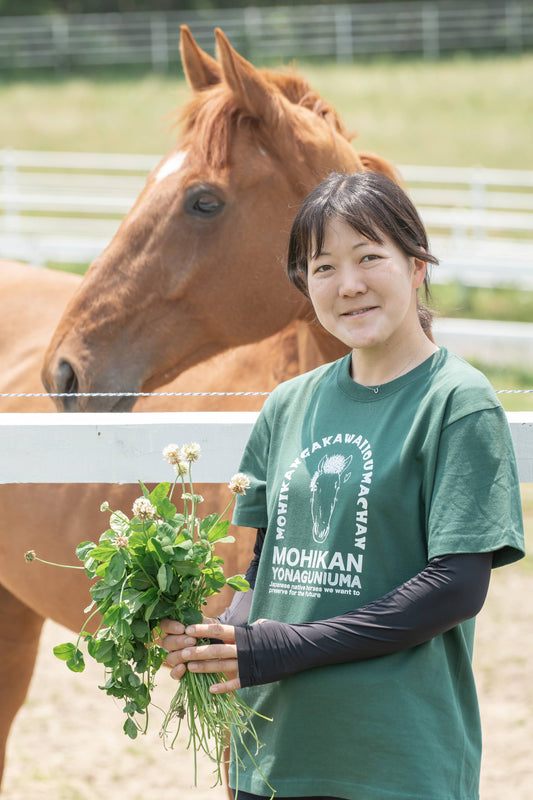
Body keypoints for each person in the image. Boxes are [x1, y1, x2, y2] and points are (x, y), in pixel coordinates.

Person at [160, 171, 525, 800]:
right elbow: (265, 575)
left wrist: (279, 650)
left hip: (395, 760)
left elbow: (456, 587)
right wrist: (214, 641)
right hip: (275, 753)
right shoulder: (287, 405)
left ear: (415, 266)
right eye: (323, 267)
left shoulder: (457, 402)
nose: (348, 284)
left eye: (369, 257)